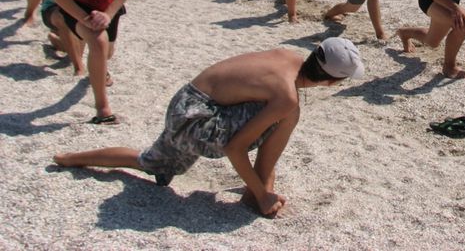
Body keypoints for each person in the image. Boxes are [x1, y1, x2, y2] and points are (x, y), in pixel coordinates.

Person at [53, 38, 364, 217]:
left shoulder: (286, 55)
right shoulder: (286, 95)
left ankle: (71, 158)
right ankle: (259, 193)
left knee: (152, 164)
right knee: (288, 113)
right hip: (195, 120)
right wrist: (262, 193)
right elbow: (234, 147)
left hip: (185, 103)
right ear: (332, 81)